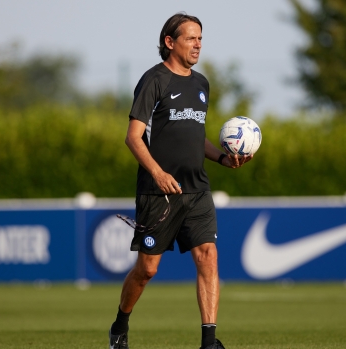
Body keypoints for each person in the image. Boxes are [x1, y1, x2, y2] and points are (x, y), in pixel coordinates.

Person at [109, 12, 252, 349]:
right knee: (146, 271)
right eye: (191, 38)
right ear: (170, 42)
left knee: (208, 256)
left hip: (198, 190)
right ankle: (120, 324)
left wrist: (221, 157)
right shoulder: (154, 80)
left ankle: (209, 341)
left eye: (200, 38)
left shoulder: (201, 83)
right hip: (158, 194)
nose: (198, 44)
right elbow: (133, 137)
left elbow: (195, 134)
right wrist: (157, 173)